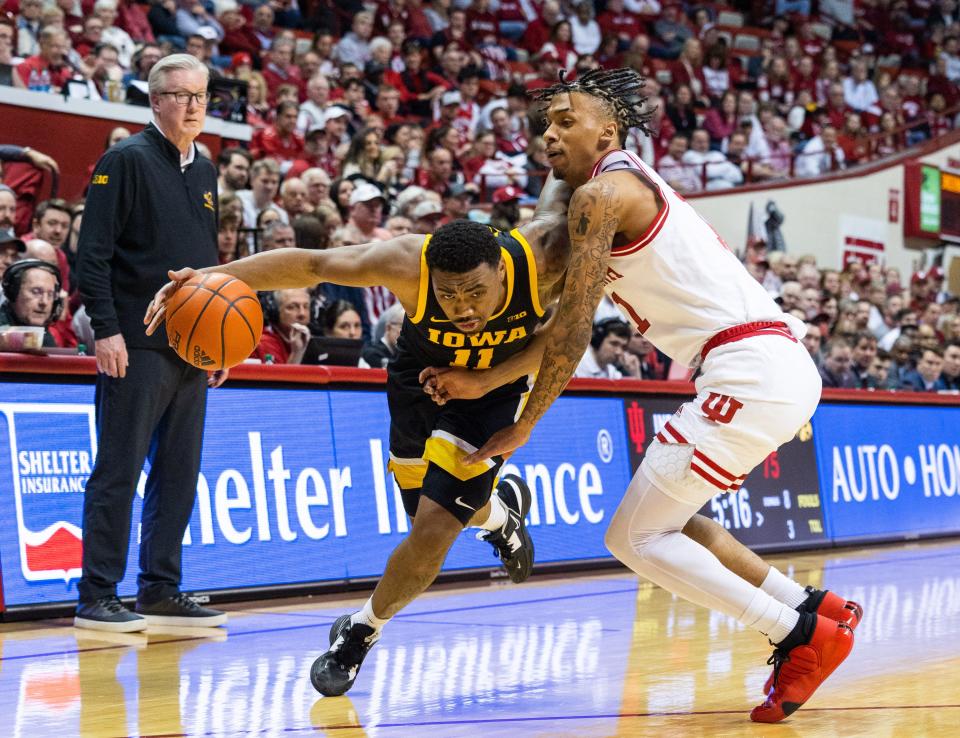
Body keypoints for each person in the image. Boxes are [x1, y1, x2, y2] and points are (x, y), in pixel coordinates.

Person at [460, 68, 858, 724]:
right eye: (544, 127)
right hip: (768, 368)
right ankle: (819, 609)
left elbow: (572, 327)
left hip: (747, 371)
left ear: (607, 130)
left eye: (565, 122)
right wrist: (486, 378)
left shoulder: (603, 195)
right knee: (677, 523)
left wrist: (523, 420)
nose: (549, 135)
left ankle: (798, 635)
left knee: (633, 538)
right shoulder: (612, 188)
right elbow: (556, 305)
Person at [144, 174, 573, 697]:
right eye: (448, 294)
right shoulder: (406, 262)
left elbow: (565, 339)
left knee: (433, 531)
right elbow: (312, 264)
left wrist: (482, 380)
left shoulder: (541, 262)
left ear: (502, 277)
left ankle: (360, 631)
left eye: (477, 294)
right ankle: (501, 515)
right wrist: (208, 277)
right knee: (423, 517)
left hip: (492, 392)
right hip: (420, 380)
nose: (462, 308)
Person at [75, 54, 227, 633]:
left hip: (192, 346)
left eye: (201, 97)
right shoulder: (125, 160)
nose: (193, 106)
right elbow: (93, 254)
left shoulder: (207, 170)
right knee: (119, 468)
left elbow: (208, 269)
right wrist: (106, 328)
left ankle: (161, 589)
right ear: (155, 100)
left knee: (179, 473)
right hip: (135, 342)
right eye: (181, 95)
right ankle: (97, 594)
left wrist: (218, 343)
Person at [0, 258, 61, 345]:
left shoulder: (46, 337)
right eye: (36, 292)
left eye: (50, 294)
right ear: (12, 292)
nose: (44, 302)